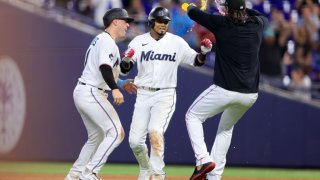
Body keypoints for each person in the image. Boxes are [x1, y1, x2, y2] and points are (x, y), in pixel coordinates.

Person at [119, 6, 213, 180]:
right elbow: (125, 70)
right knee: (134, 141)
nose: (163, 24)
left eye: (165, 22)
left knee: (155, 131)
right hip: (143, 94)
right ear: (151, 22)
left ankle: (158, 174)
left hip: (165, 94)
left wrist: (204, 54)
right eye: (160, 21)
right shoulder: (138, 42)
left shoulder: (176, 42)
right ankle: (146, 169)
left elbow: (196, 61)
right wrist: (125, 60)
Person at [183, 0, 268, 180]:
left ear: (228, 10)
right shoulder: (257, 24)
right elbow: (259, 16)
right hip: (250, 95)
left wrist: (191, 5)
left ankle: (203, 160)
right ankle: (214, 177)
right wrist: (235, 8)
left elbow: (192, 12)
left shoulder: (222, 23)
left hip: (226, 89)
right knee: (225, 129)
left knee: (192, 116)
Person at [64, 8, 136, 180]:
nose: (127, 24)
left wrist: (120, 83)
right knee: (116, 132)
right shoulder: (107, 42)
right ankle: (89, 172)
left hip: (85, 90)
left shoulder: (102, 40)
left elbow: (101, 70)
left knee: (96, 137)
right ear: (115, 21)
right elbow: (104, 67)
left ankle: (74, 175)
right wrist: (115, 89)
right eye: (125, 21)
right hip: (91, 92)